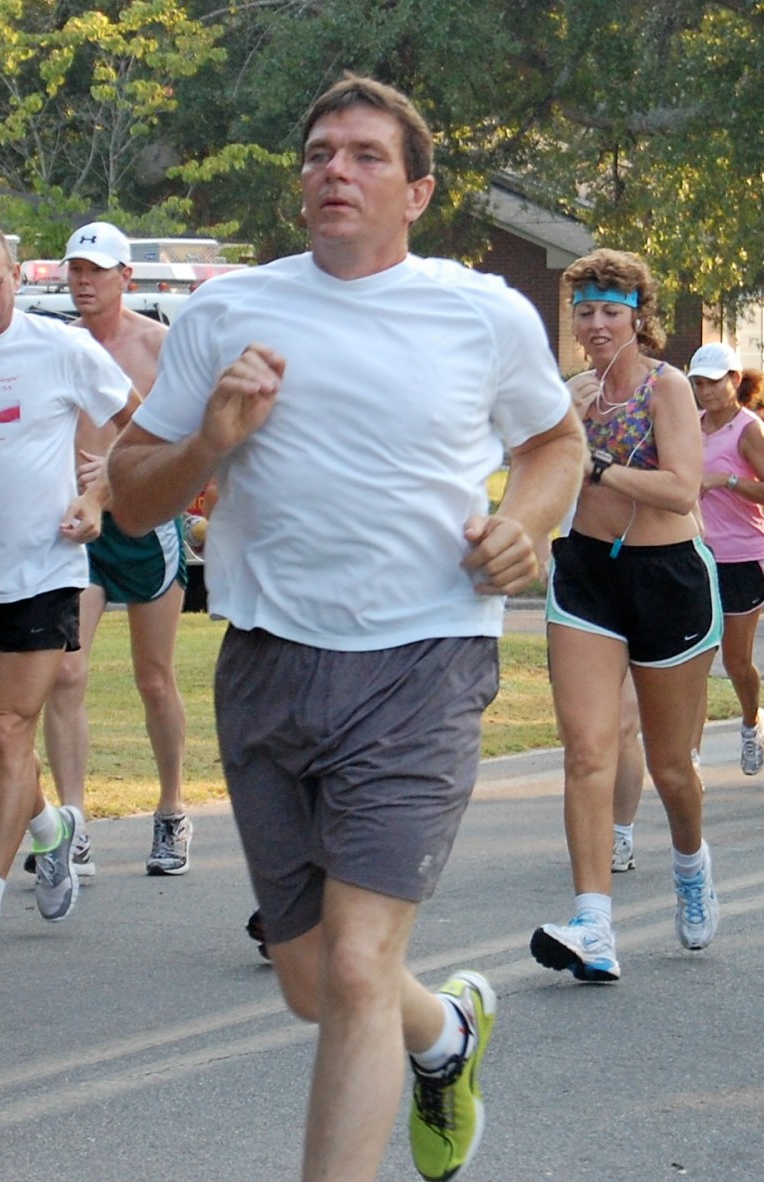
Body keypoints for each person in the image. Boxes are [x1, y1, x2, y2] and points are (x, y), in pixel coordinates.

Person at [107, 74, 582, 1181]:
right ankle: (445, 1034)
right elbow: (132, 497)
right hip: (269, 660)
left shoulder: (480, 312)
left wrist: (522, 525)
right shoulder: (228, 311)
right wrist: (209, 439)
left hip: (423, 659)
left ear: (415, 192)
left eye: (366, 155)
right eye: (320, 152)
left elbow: (554, 446)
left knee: (360, 968)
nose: (335, 169)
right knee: (313, 982)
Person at [0, 222, 132, 958]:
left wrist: (99, 494)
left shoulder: (62, 347)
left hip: (46, 570)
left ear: (16, 277)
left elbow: (142, 426)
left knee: (12, 729)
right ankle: (51, 832)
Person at [531, 248, 724, 988]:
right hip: (585, 576)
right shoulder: (567, 393)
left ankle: (690, 864)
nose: (597, 322)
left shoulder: (668, 388)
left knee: (672, 767)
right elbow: (535, 473)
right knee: (589, 749)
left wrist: (597, 465)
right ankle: (594, 925)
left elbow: (681, 488)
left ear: (638, 316)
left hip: (668, 578)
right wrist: (561, 429)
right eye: (585, 310)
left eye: (612, 309)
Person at [42, 220, 196, 877]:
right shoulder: (58, 345)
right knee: (65, 670)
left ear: (124, 279)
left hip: (146, 526)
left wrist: (125, 478)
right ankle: (72, 824)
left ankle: (171, 809)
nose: (83, 283)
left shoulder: (160, 345)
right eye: (75, 271)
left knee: (153, 678)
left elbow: (187, 438)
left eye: (96, 272)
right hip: (78, 532)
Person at [687, 343, 764, 775]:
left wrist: (727, 480)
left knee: (735, 662)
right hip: (695, 554)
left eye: (714, 382)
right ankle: (690, 756)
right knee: (693, 661)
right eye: (699, 384)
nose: (706, 392)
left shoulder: (749, 430)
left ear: (733, 381)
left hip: (742, 557)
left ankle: (751, 722)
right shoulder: (691, 425)